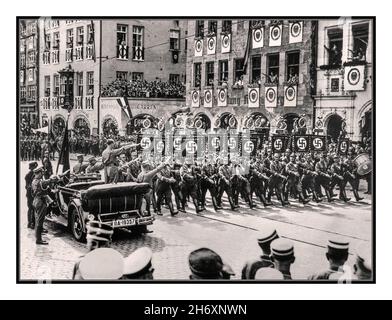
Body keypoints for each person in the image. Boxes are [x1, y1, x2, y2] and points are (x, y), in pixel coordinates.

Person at [31, 166, 59, 245]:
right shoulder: (40, 182)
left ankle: (38, 237)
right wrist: (56, 178)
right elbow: (49, 181)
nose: (43, 173)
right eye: (42, 172)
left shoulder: (34, 181)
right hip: (40, 202)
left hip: (36, 201)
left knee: (38, 220)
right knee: (40, 221)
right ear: (39, 173)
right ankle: (39, 240)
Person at [25, 161, 38, 229]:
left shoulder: (35, 174)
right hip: (30, 195)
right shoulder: (28, 175)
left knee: (33, 208)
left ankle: (33, 223)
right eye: (35, 167)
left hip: (33, 194)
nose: (36, 168)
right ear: (32, 168)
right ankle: (30, 223)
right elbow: (27, 186)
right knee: (31, 208)